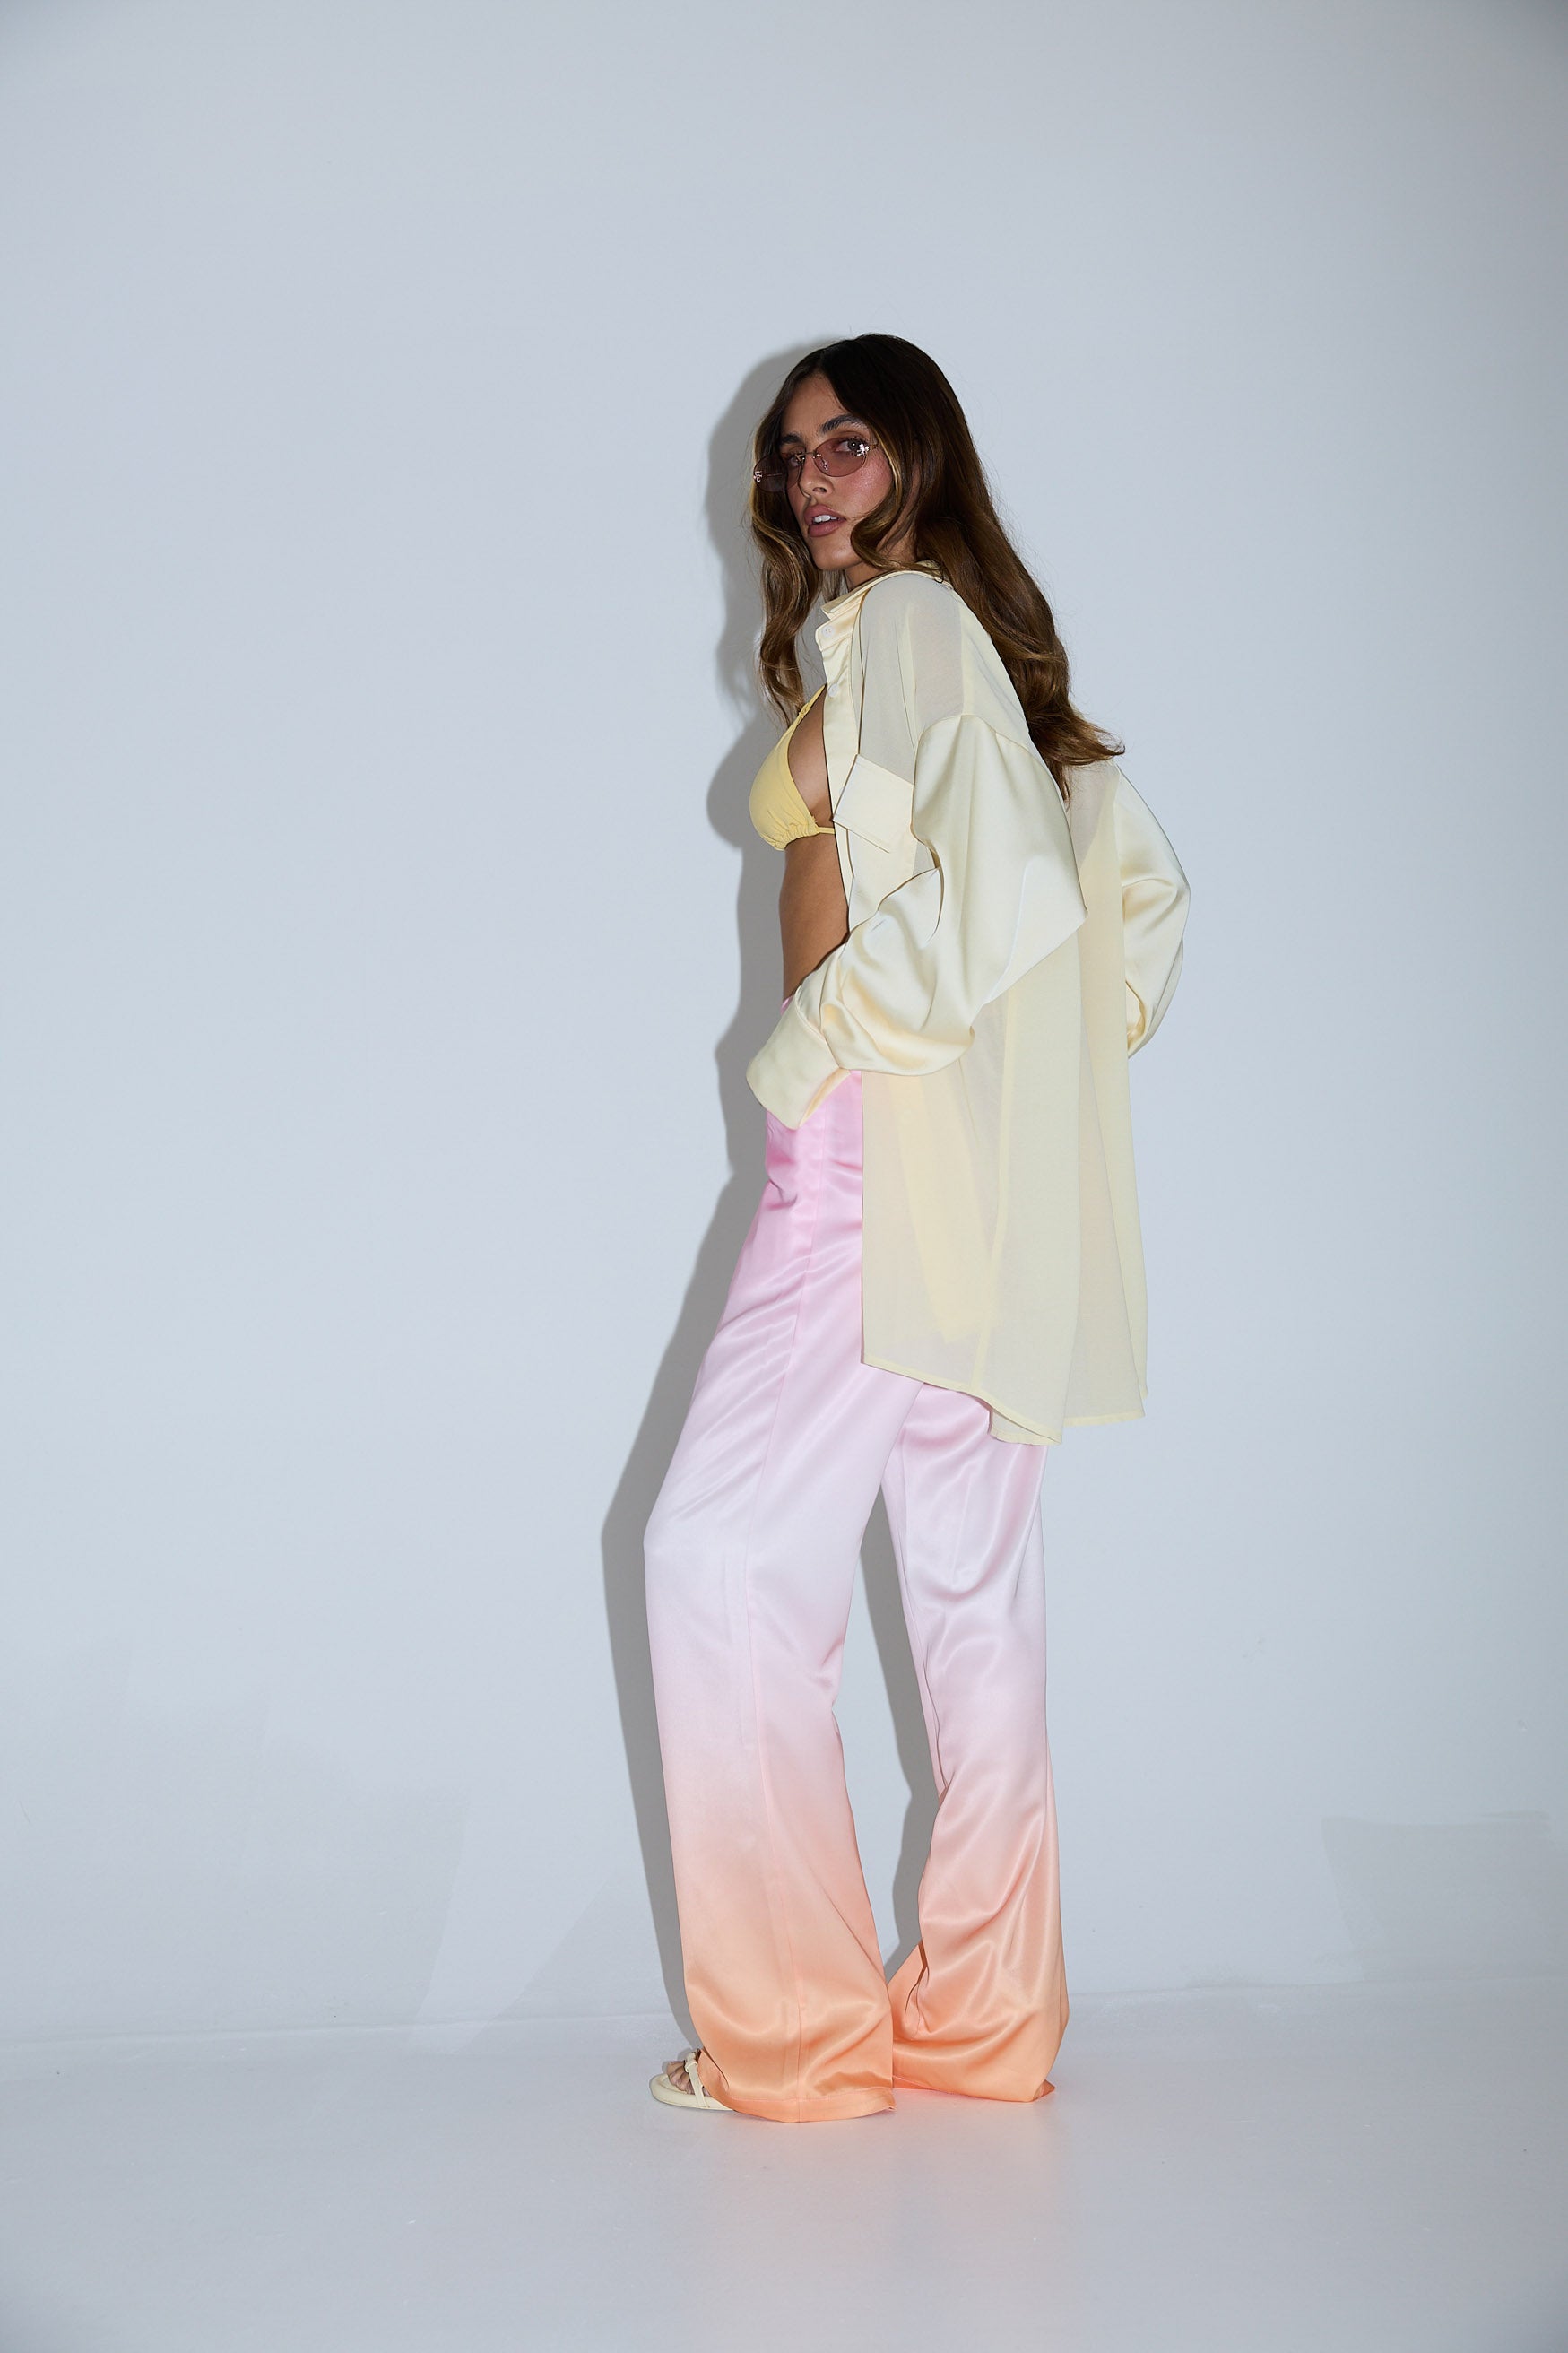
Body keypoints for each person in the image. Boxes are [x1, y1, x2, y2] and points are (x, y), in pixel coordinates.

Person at [644, 334, 1189, 2123]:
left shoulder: (905, 627)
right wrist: (1020, 1087)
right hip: (959, 1180)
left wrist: (818, 1048)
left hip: (865, 1164)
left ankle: (793, 2041)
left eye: (849, 445)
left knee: (717, 1563)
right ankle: (980, 2026)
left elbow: (1026, 890)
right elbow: (1128, 894)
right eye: (791, 453)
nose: (811, 478)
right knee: (969, 1609)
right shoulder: (965, 653)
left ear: (918, 457)